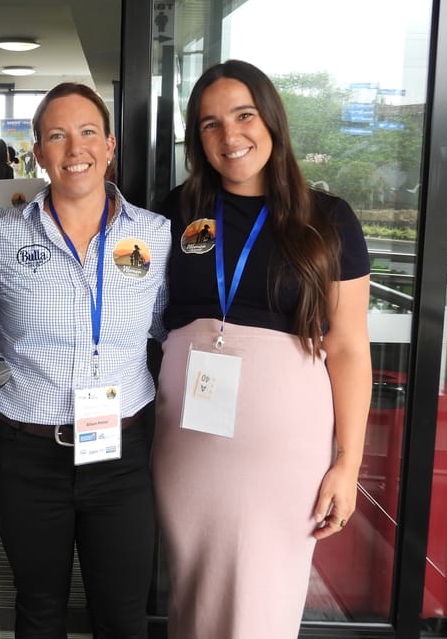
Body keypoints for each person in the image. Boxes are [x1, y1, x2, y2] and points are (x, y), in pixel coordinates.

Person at [152, 60, 372, 639]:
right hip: (189, 441)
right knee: (195, 591)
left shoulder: (328, 218)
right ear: (197, 139)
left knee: (264, 598)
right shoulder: (175, 211)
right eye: (210, 124)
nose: (230, 135)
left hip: (285, 449)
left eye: (244, 115)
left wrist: (348, 462)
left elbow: (349, 346)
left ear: (271, 118)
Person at [0, 82, 171, 638]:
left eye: (88, 132)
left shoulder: (155, 235)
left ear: (110, 145)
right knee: (39, 610)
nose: (75, 149)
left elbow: (174, 329)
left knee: (123, 617)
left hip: (122, 454)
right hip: (26, 453)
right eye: (57, 136)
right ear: (38, 152)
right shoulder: (2, 235)